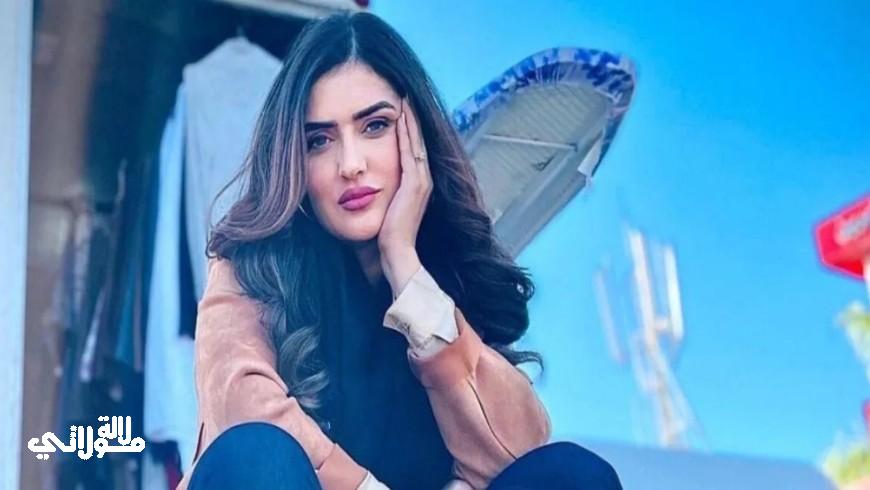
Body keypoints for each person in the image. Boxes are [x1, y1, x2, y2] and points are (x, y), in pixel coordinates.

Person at [176, 10, 621, 490]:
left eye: (375, 126)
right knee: (257, 454)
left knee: (573, 475)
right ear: (294, 160)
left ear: (416, 135)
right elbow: (242, 408)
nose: (350, 164)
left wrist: (406, 268)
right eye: (319, 140)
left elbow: (517, 451)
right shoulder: (252, 268)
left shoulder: (448, 273)